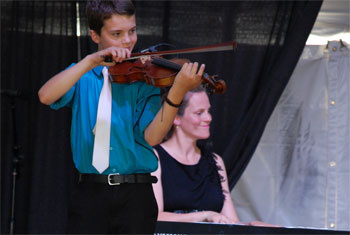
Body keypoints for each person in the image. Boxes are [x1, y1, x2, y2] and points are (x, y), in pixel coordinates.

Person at [38, 0, 204, 234]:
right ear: (95, 35)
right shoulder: (82, 75)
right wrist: (89, 62)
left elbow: (152, 137)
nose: (127, 40)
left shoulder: (143, 80)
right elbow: (45, 96)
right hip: (89, 193)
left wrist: (178, 90)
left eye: (132, 31)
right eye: (117, 34)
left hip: (136, 195)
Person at [152, 85, 278, 227]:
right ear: (175, 118)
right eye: (199, 113)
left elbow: (231, 223)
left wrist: (251, 226)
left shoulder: (215, 161)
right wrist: (205, 216)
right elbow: (154, 217)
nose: (208, 118)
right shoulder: (154, 158)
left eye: (208, 111)